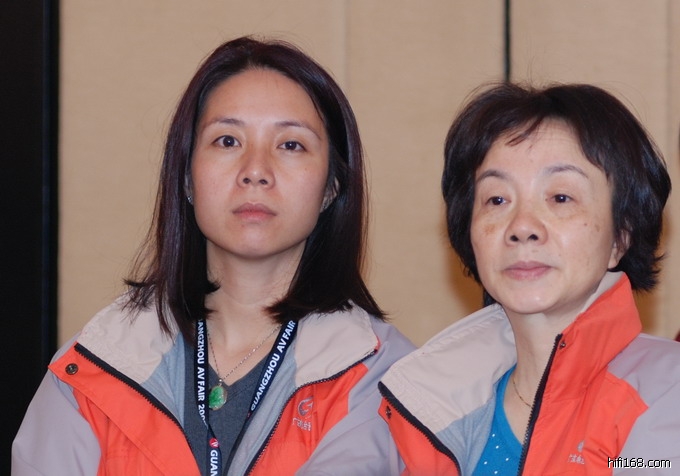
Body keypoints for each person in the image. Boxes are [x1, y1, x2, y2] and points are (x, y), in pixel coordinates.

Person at [13, 36, 414, 475]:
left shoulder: (388, 382)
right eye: (227, 141)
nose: (255, 171)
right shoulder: (93, 368)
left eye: (290, 145)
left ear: (331, 187)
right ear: (187, 177)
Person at [379, 82, 680, 474]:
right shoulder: (428, 401)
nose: (522, 227)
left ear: (620, 238)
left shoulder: (667, 389)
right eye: (497, 200)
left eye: (560, 197)